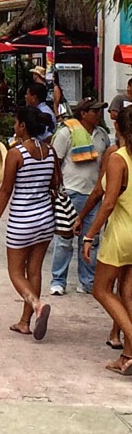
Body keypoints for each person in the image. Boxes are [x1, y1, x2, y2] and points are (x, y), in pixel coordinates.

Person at [0, 106, 55, 338]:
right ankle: (25, 321)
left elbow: (6, 190)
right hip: (46, 219)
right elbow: (56, 184)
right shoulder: (50, 151)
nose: (15, 127)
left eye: (16, 123)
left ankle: (37, 306)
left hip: (22, 221)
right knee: (34, 271)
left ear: (23, 125)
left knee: (15, 273)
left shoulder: (17, 153)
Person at [81, 105, 132, 374]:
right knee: (127, 292)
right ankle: (127, 354)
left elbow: (109, 200)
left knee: (101, 289)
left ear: (118, 128)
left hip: (121, 234)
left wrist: (90, 234)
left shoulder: (118, 158)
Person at [49, 98, 109, 296]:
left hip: (93, 193)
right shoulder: (66, 133)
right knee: (64, 239)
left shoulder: (102, 136)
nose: (98, 115)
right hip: (71, 192)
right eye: (94, 111)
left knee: (91, 239)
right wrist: (57, 189)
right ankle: (58, 280)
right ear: (83, 113)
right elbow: (56, 161)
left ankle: (87, 281)